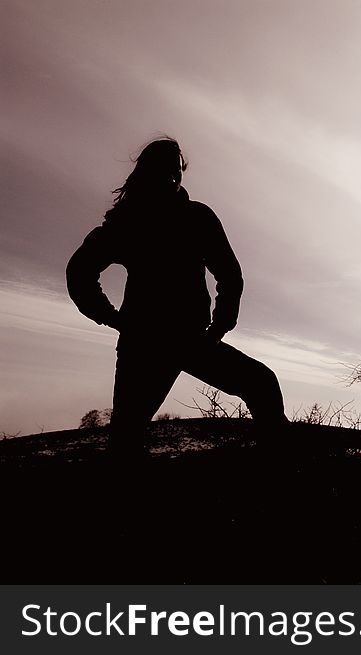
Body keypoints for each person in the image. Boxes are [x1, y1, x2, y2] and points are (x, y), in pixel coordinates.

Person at [67, 137, 288, 458]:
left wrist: (219, 327)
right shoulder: (139, 221)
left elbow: (228, 274)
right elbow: (80, 272)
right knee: (127, 436)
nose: (174, 174)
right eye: (169, 167)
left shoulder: (179, 218)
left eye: (176, 168)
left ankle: (279, 467)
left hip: (175, 340)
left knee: (261, 384)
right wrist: (109, 315)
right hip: (155, 341)